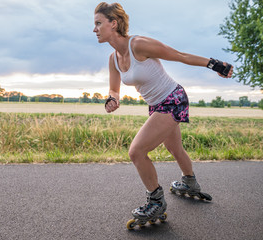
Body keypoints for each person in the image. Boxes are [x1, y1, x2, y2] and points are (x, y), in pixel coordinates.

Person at [93, 2, 233, 223]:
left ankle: (156, 202)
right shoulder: (113, 59)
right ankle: (190, 182)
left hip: (173, 99)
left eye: (98, 23)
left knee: (136, 151)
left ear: (114, 23)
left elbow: (178, 55)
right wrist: (112, 100)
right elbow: (114, 90)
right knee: (174, 147)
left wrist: (215, 64)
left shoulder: (138, 44)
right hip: (157, 105)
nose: (95, 29)